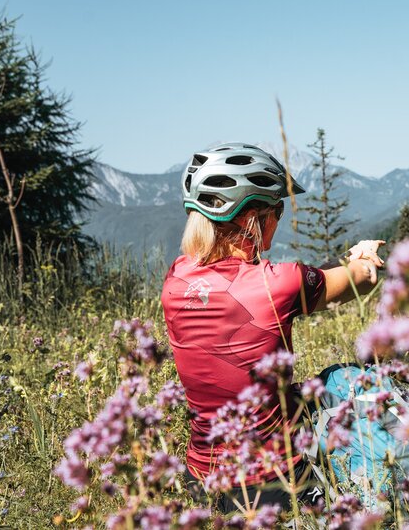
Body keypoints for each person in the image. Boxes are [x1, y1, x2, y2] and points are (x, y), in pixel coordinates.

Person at [160, 143, 384, 512]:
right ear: (254, 217)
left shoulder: (175, 279)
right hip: (273, 484)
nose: (278, 220)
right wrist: (364, 254)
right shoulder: (276, 284)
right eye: (277, 210)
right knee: (351, 385)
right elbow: (359, 280)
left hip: (201, 480)